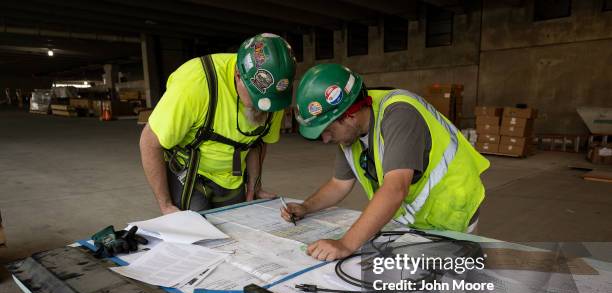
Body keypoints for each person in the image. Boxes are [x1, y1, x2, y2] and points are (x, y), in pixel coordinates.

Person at [281, 64, 490, 261]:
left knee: (459, 284)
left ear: (350, 116)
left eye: (327, 130)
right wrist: (306, 207)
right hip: (413, 221)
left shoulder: (400, 114)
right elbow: (339, 184)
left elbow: (395, 188)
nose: (325, 139)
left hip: (451, 211)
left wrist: (345, 244)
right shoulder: (349, 135)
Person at [140, 33, 296, 214]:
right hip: (189, 173)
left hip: (233, 175)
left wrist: (255, 186)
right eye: (256, 99)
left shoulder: (273, 96)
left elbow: (258, 144)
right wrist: (165, 205)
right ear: (239, 75)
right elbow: (149, 142)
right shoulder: (195, 84)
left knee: (237, 226)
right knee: (195, 230)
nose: (262, 108)